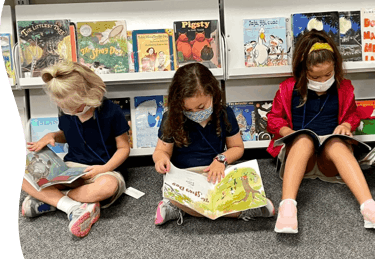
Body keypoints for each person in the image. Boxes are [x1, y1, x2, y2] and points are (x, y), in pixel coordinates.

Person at [267, 30, 375, 234]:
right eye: (315, 76)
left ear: (335, 67)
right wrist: (287, 131)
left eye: (328, 74)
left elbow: (352, 114)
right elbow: (273, 118)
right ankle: (288, 207)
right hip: (299, 160)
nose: (322, 80)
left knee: (336, 143)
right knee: (303, 139)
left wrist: (346, 124)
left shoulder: (344, 87)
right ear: (303, 70)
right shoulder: (288, 88)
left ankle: (369, 207)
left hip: (330, 161)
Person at [153, 63, 275, 225]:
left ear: (213, 94)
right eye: (188, 110)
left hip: (216, 172)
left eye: (201, 107)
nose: (196, 113)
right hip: (185, 177)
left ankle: (183, 209)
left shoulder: (225, 114)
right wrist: (161, 160)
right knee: (179, 196)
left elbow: (237, 148)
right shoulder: (172, 118)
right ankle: (240, 210)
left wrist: (221, 159)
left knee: (239, 187)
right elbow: (161, 151)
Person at [22, 62, 130, 238]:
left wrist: (104, 169)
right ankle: (74, 206)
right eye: (67, 109)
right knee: (25, 175)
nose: (72, 112)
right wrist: (53, 136)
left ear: (91, 94)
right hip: (71, 168)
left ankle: (54, 200)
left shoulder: (112, 112)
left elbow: (124, 148)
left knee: (107, 187)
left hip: (105, 169)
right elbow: (68, 135)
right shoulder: (66, 112)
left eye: (76, 107)